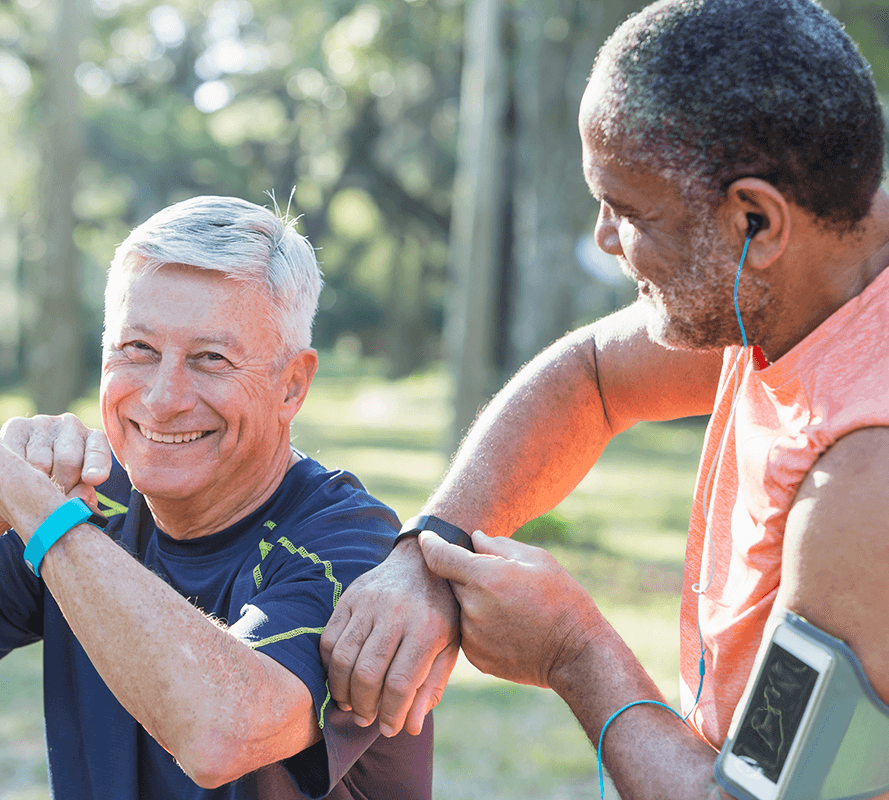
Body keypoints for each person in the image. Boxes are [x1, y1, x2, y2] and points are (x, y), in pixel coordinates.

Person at [319, 0, 889, 796]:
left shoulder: (863, 486)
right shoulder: (800, 290)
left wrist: (575, 652)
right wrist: (428, 548)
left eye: (629, 212)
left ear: (756, 220)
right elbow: (590, 376)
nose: (604, 239)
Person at [0, 196, 432, 799]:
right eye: (138, 350)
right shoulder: (91, 500)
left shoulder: (356, 551)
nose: (163, 397)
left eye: (211, 359)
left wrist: (24, 499)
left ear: (292, 385)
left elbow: (217, 737)